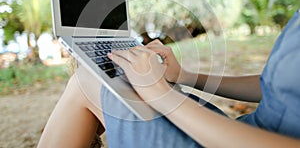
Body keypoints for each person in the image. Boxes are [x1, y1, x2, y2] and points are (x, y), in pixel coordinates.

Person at [37, 10, 300, 148]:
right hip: (237, 132)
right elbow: (275, 88)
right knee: (115, 81)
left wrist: (159, 94)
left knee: (87, 81)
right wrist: (184, 76)